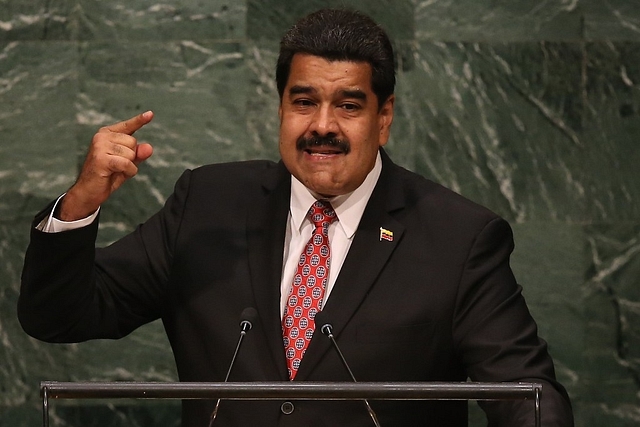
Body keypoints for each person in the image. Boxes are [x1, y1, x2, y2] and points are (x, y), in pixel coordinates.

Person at [18, 8, 574, 426]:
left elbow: (531, 401)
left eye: (349, 105)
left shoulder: (458, 238)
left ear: (384, 118)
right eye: (304, 101)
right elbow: (58, 316)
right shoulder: (207, 204)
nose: (322, 126)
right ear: (281, 107)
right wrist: (81, 202)